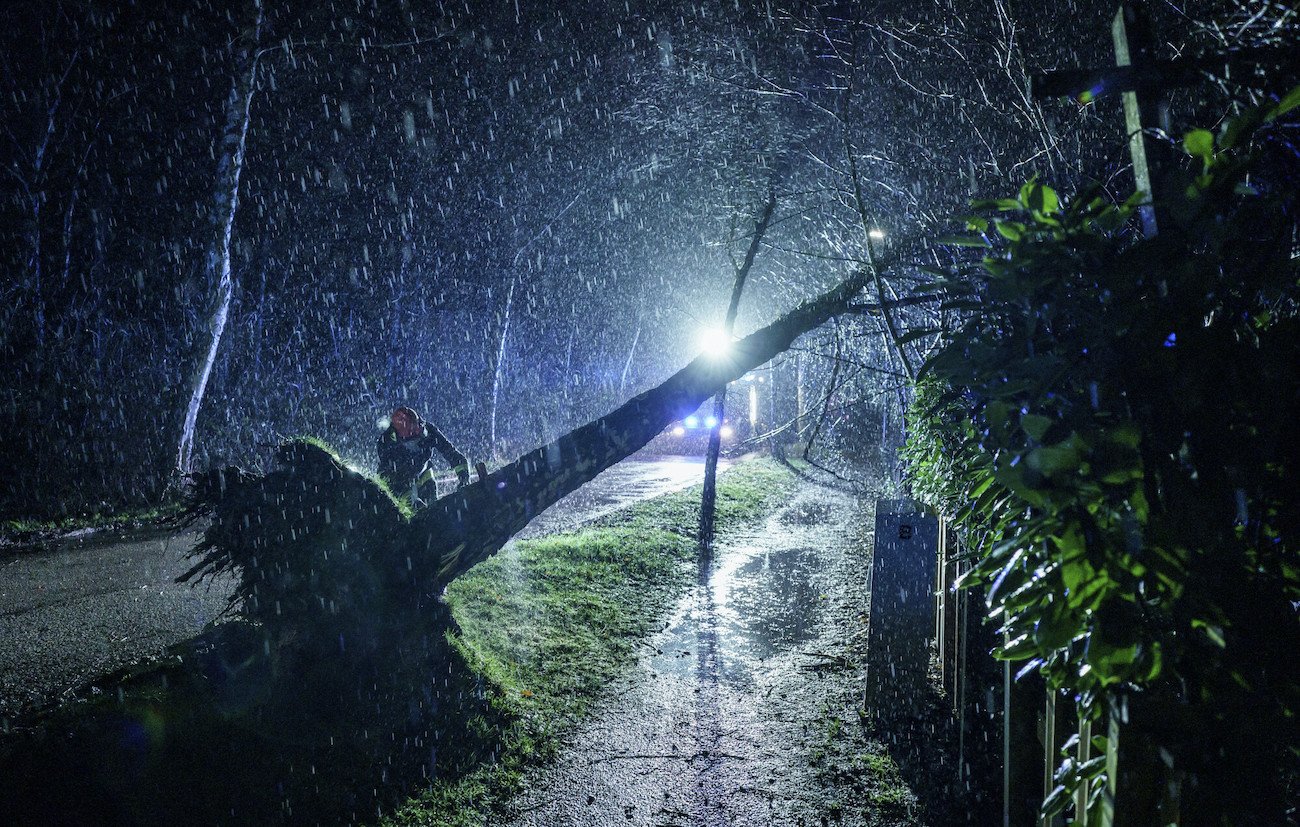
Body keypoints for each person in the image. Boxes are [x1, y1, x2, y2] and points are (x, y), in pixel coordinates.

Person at [376, 406, 470, 504]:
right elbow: (391, 475)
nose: (418, 432)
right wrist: (409, 499)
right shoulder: (386, 444)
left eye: (417, 426)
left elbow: (451, 453)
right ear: (400, 435)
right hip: (397, 484)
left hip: (423, 473)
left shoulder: (429, 431)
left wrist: (464, 477)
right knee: (412, 512)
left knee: (433, 505)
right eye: (412, 431)